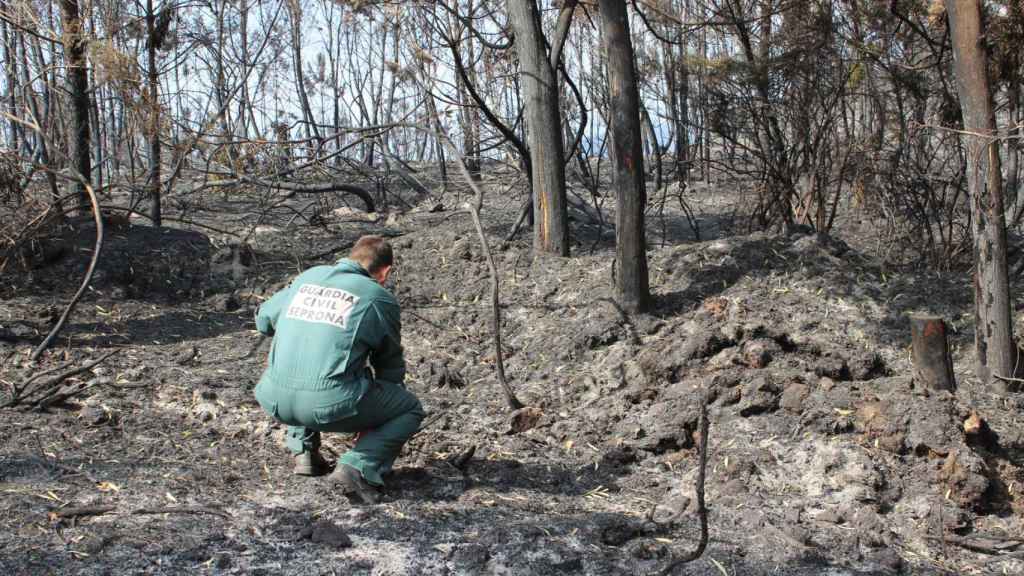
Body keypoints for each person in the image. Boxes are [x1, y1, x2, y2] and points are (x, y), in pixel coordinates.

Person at [253, 235, 424, 504]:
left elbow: (263, 321)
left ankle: (306, 454)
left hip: (272, 398)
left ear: (350, 257)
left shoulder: (308, 277)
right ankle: (356, 468)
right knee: (409, 408)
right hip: (327, 405)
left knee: (307, 362)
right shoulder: (378, 297)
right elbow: (388, 365)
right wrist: (379, 414)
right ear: (385, 272)